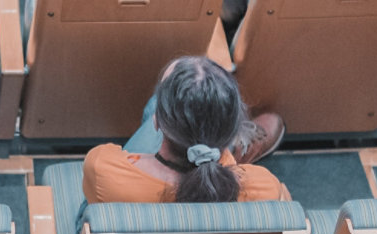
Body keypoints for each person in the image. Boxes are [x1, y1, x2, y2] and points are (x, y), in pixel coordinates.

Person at [83, 56, 285, 203]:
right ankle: (233, 152)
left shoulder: (104, 170)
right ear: (233, 130)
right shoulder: (265, 188)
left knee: (158, 102)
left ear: (157, 123)